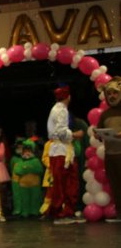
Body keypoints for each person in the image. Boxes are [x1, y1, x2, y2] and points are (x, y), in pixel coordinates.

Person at [46, 85, 82, 224]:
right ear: (68, 97)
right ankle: (63, 213)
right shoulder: (61, 110)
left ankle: (64, 211)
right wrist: (75, 134)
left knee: (63, 182)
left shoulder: (57, 109)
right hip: (61, 150)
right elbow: (61, 132)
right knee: (66, 182)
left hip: (60, 150)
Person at [97, 77, 121, 222]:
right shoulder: (105, 114)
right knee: (116, 187)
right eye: (109, 94)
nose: (112, 96)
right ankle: (120, 213)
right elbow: (100, 132)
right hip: (110, 155)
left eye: (115, 93)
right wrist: (98, 134)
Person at [11, 139, 43, 218]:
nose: (27, 153)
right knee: (24, 199)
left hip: (35, 184)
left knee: (35, 199)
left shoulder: (36, 161)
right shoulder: (20, 162)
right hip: (23, 185)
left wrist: (26, 168)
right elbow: (18, 171)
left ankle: (34, 211)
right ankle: (25, 212)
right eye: (25, 151)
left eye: (29, 151)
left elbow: (39, 170)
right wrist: (29, 168)